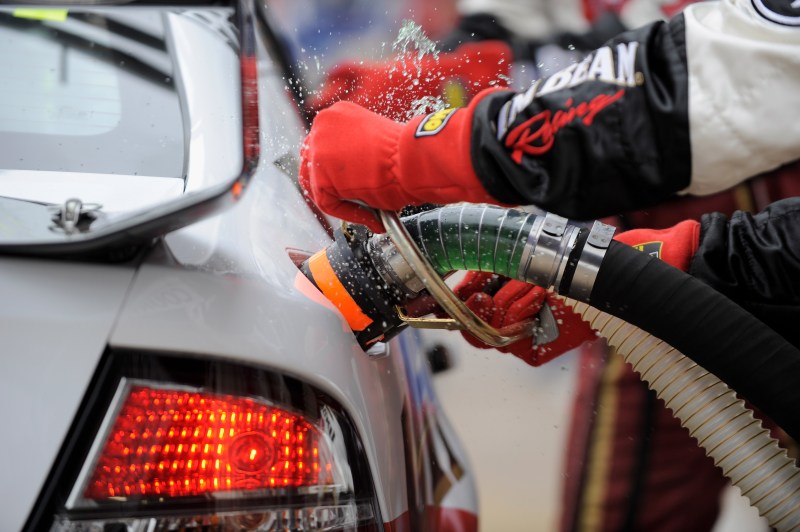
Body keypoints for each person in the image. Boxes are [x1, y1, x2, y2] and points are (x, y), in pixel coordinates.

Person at [299, 0, 800, 529]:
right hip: (695, 236)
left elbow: (714, 78)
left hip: (707, 222)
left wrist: (427, 147)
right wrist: (680, 264)